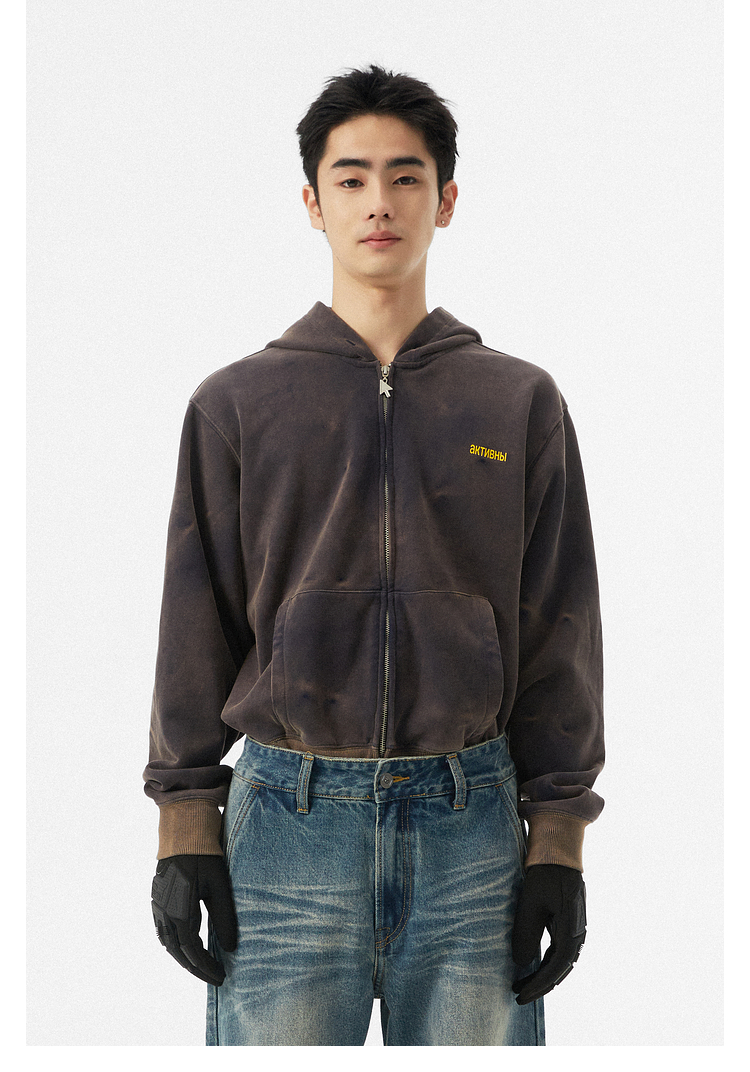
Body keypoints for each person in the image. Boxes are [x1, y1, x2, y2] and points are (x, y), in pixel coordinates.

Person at [144, 64, 604, 1047]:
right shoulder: (237, 403)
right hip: (287, 826)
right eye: (350, 179)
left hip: (472, 828)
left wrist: (558, 841)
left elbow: (559, 623)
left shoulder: (517, 402)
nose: (379, 203)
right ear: (313, 203)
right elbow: (195, 621)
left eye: (405, 176)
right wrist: (185, 825)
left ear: (446, 199)